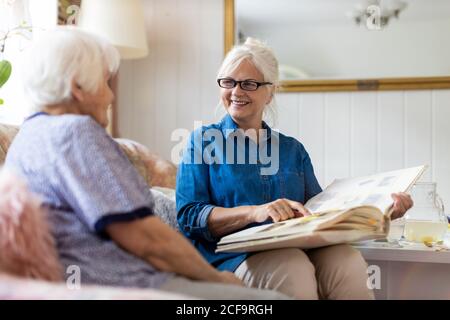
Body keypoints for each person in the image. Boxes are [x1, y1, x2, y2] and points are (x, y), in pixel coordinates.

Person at [4, 28, 288, 300]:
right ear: (77, 87)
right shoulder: (75, 133)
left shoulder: (27, 139)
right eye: (104, 82)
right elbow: (147, 239)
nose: (110, 96)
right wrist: (216, 279)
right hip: (125, 285)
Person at [176, 38, 413, 300]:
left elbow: (320, 211)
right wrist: (255, 212)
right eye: (228, 82)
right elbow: (189, 216)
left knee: (347, 260)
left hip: (298, 247)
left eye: (249, 84)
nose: (236, 92)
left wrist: (380, 212)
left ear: (271, 91)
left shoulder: (292, 150)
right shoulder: (202, 141)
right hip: (233, 257)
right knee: (292, 266)